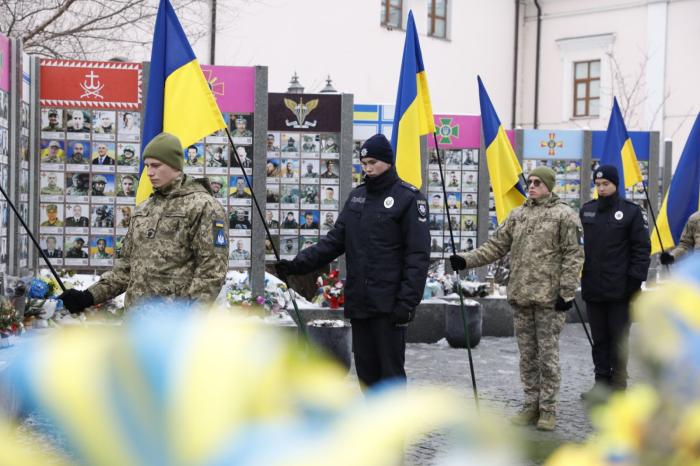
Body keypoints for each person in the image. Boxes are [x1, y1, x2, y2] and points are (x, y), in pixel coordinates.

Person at [276, 134, 430, 389]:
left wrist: (407, 302)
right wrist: (296, 265)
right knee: (366, 375)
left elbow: (417, 256)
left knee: (390, 375)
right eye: (364, 163)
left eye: (373, 162)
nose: (368, 168)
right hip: (360, 302)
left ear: (388, 161)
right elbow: (334, 242)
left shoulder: (408, 199)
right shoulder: (357, 197)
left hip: (389, 305)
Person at [449, 166, 584, 431]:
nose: (531, 186)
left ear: (549, 186)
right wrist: (465, 260)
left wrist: (567, 292)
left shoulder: (565, 215)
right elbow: (495, 246)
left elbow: (574, 255)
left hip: (549, 300)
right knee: (527, 357)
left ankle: (548, 409)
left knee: (547, 357)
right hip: (522, 296)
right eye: (529, 182)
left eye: (537, 182)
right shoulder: (518, 215)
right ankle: (530, 404)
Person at [59, 132, 229, 312]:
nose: (149, 172)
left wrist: (188, 318)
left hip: (175, 321)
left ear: (174, 165)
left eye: (156, 165)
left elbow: (211, 272)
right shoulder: (144, 208)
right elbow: (126, 268)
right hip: (136, 320)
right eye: (147, 165)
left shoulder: (203, 206)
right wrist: (88, 296)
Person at [579, 165, 650, 398]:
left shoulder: (631, 212)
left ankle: (619, 385)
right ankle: (601, 384)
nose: (601, 188)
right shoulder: (587, 211)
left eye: (605, 184)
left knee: (619, 339)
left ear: (615, 185)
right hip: (593, 288)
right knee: (599, 340)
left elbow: (642, 249)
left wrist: (635, 282)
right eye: (598, 184)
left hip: (621, 289)